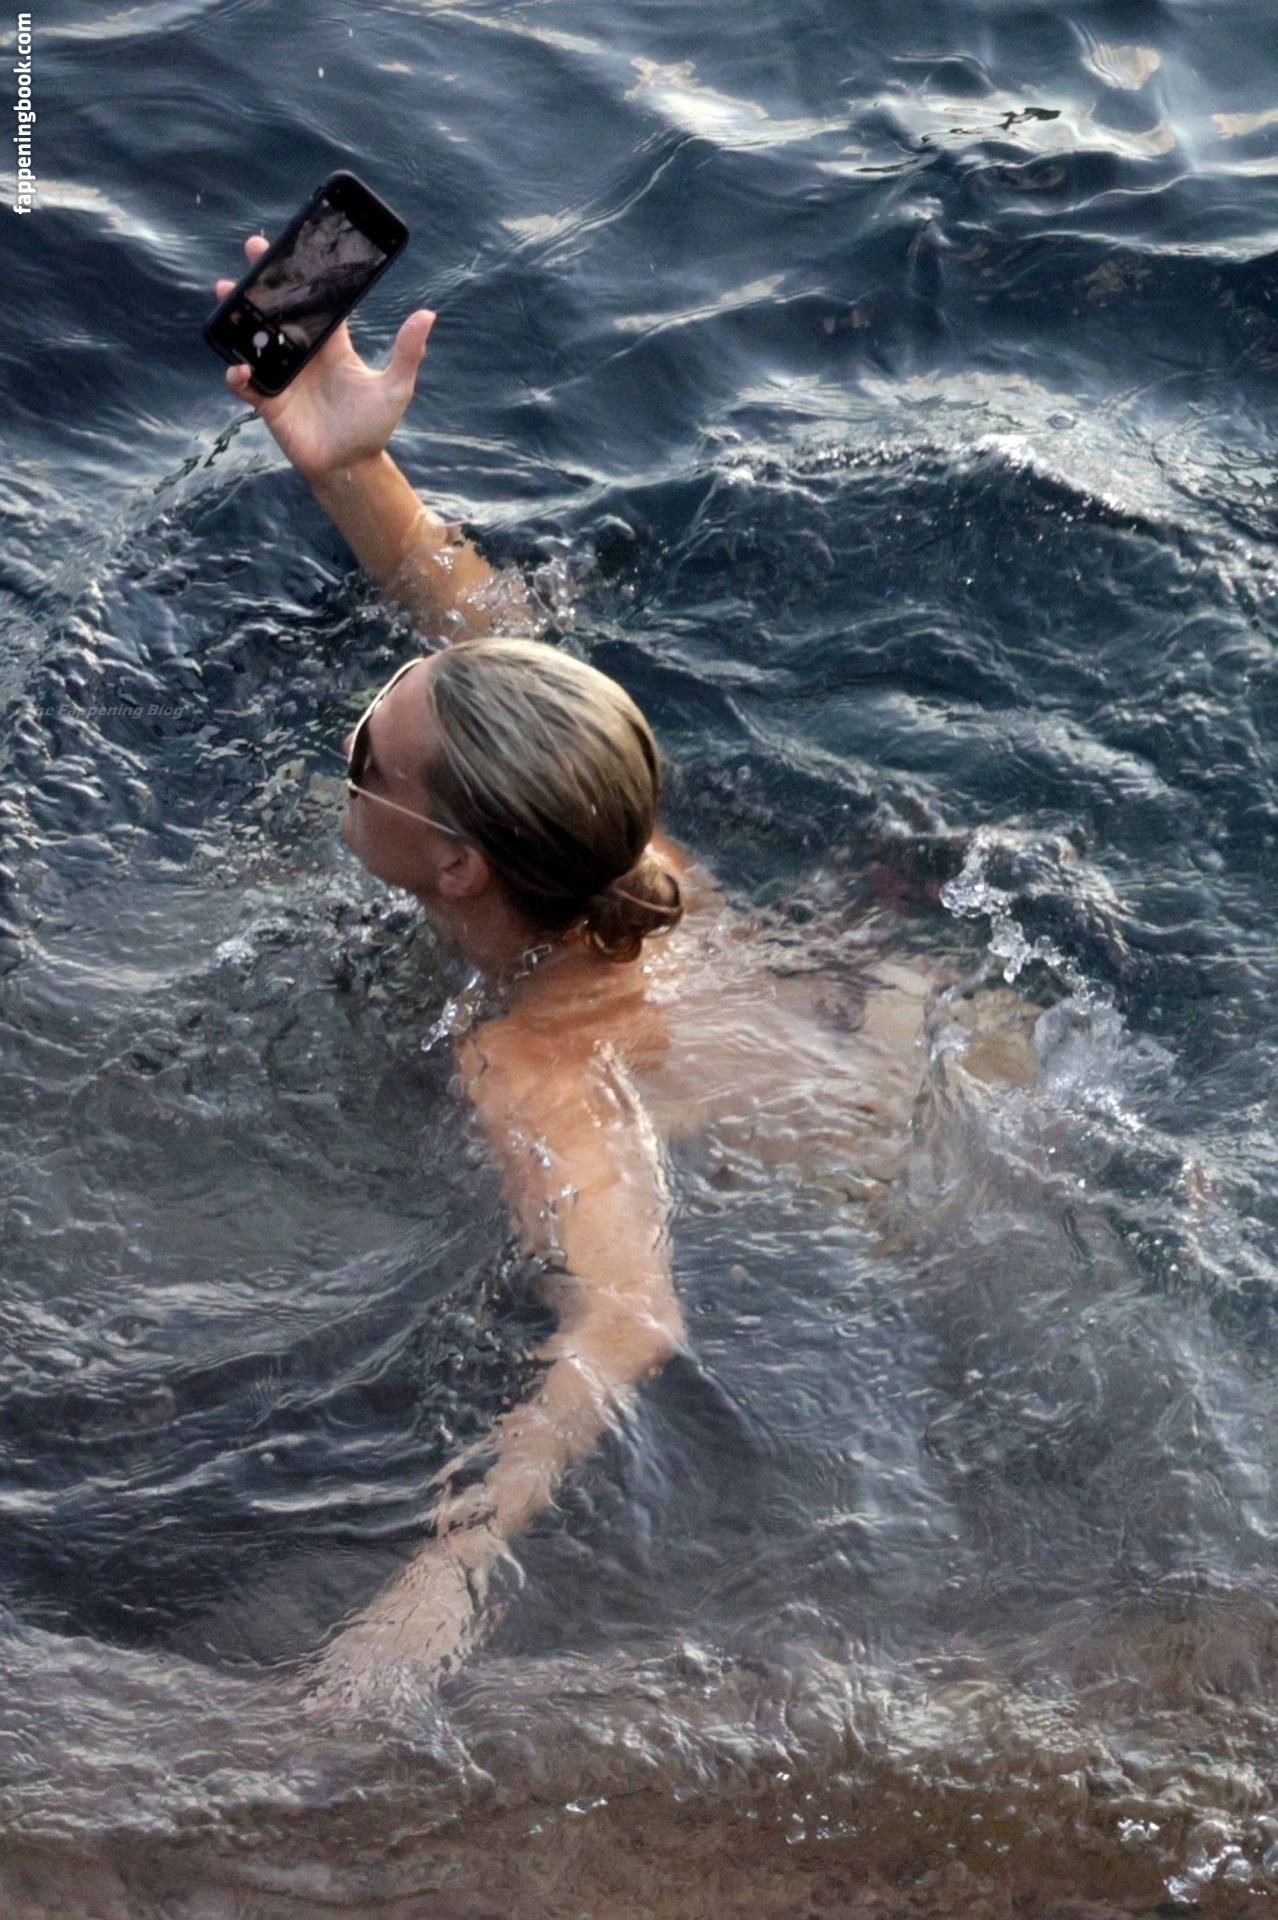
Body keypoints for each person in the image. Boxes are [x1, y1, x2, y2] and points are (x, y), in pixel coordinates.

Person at [212, 235, 1039, 1707]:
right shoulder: (625, 849)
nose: (350, 746)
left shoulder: (528, 1053)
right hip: (968, 1040)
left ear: (457, 865)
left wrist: (446, 1573)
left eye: (363, 752)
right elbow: (478, 629)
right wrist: (349, 463)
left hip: (937, 1208)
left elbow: (632, 1318)